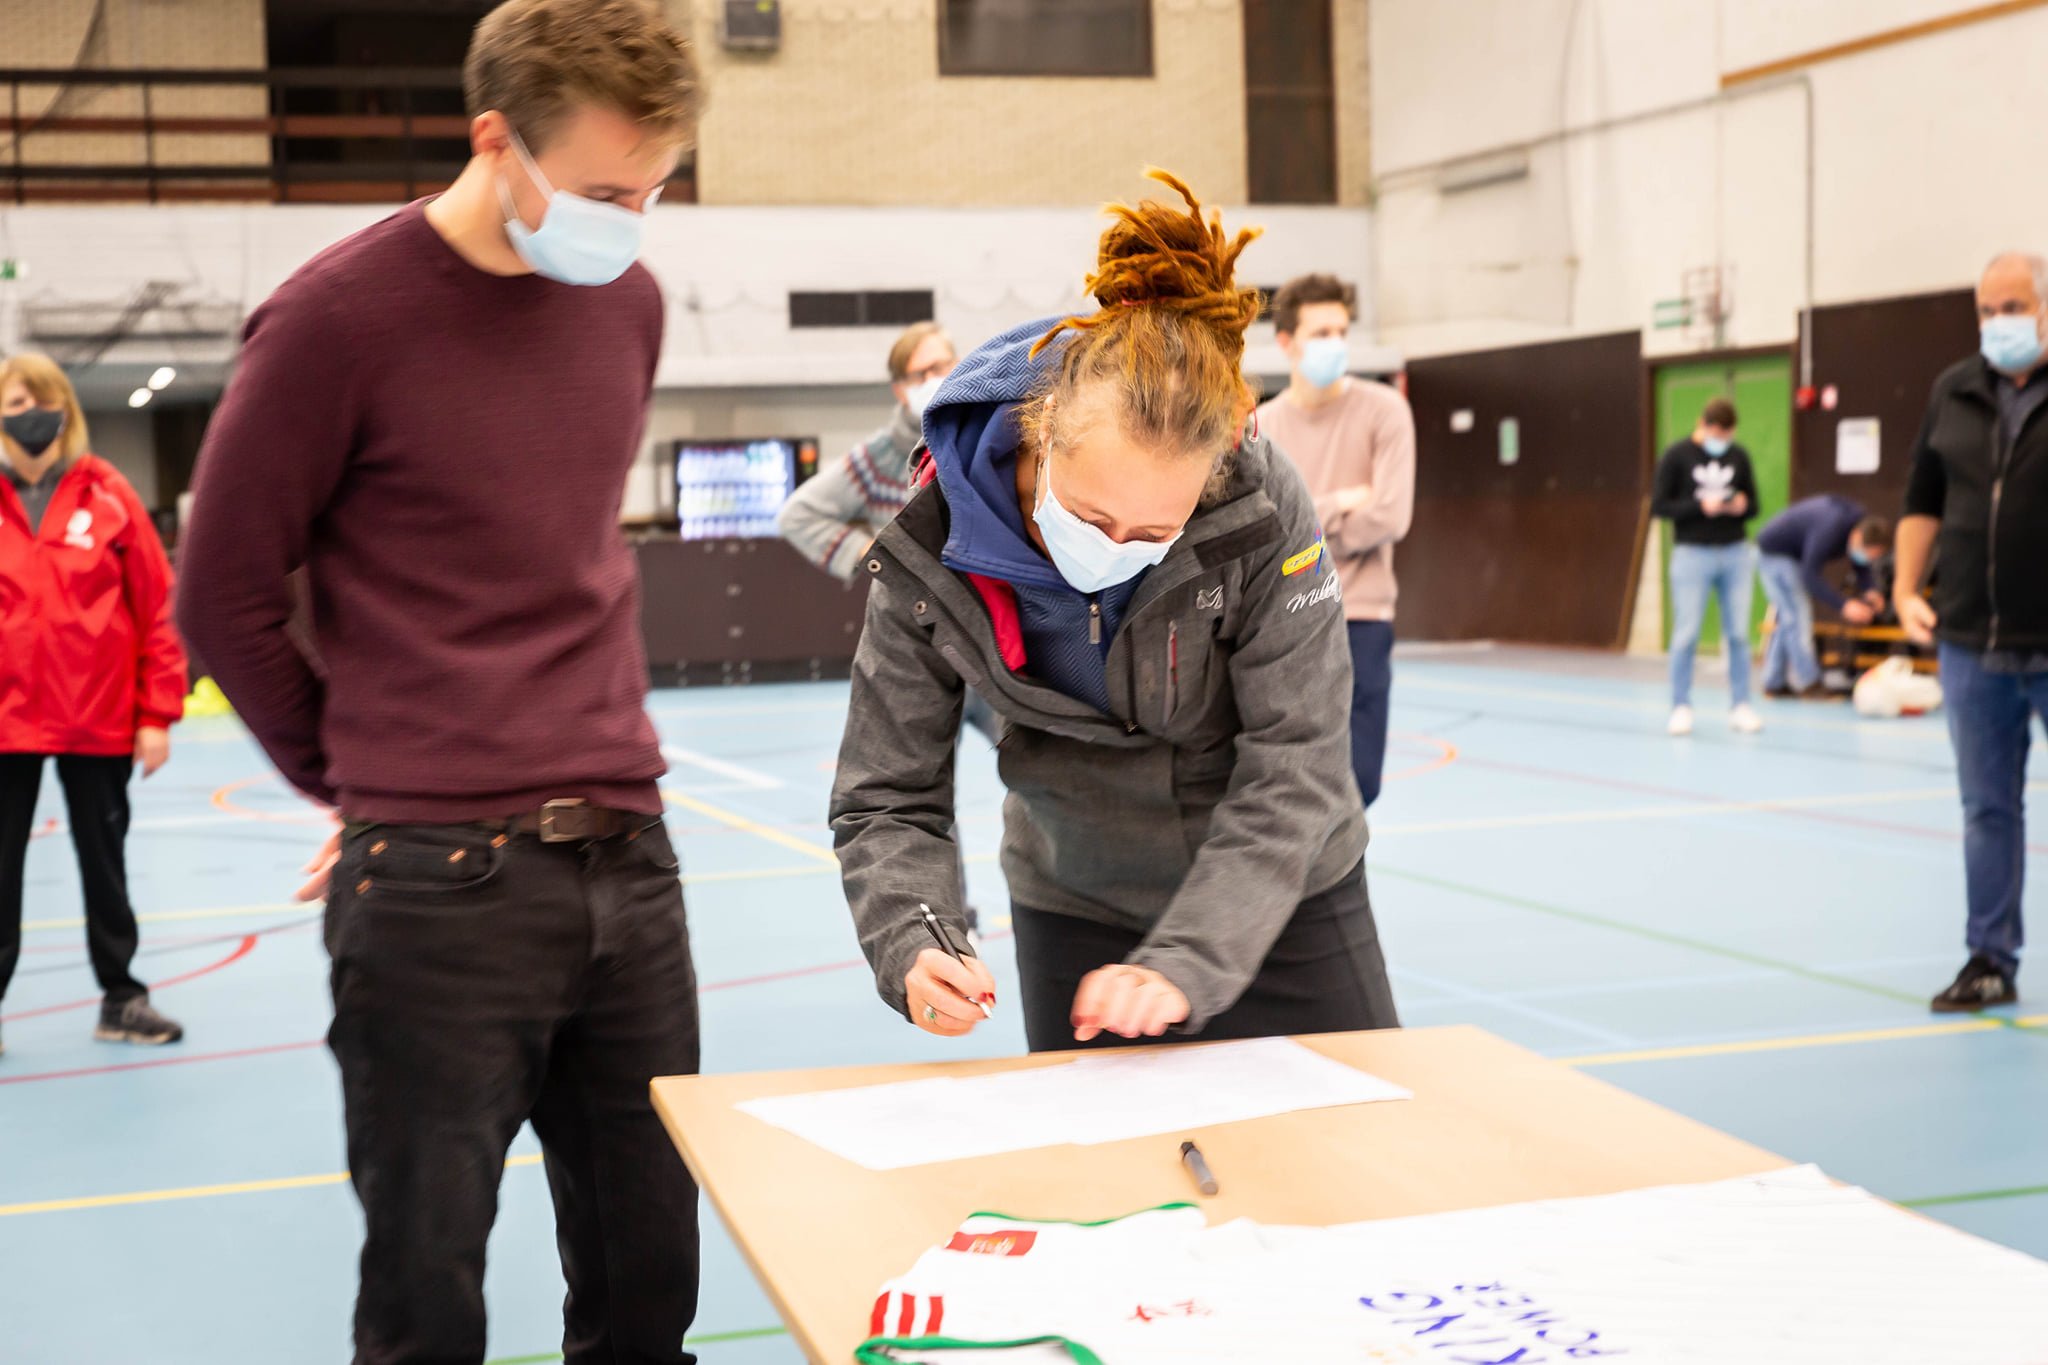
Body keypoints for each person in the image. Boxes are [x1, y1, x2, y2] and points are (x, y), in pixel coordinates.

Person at [175, 3, 704, 1361]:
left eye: (652, 191)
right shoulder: (333, 321)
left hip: (631, 864)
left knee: (651, 1284)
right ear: (494, 142)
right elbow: (221, 594)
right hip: (435, 888)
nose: (630, 222)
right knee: (426, 1299)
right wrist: (360, 783)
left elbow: (565, 554)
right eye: (602, 192)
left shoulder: (626, 302)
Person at [830, 171, 1399, 1053]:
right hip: (1077, 896)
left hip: (1283, 894)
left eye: (1153, 533)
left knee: (1349, 1159)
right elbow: (887, 788)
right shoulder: (929, 538)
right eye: (1093, 519)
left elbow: (1300, 758)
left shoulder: (1258, 499)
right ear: (1044, 428)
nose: (1114, 549)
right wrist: (914, 936)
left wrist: (1190, 956)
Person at [0, 353, 187, 1058]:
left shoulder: (108, 493)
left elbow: (158, 607)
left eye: (39, 399)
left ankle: (123, 997)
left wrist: (155, 713)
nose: (29, 413)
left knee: (104, 863)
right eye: (14, 401)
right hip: (5, 721)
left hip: (97, 713)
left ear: (64, 407)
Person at [1894, 250, 2048, 1014]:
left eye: (2013, 306)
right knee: (1987, 808)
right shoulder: (1952, 389)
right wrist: (1901, 587)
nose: (1999, 323)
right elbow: (1923, 497)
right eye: (1987, 310)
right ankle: (1990, 956)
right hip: (1970, 644)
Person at [1256, 274, 1414, 809]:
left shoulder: (1385, 411)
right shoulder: (1263, 426)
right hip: (1286, 618)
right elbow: (1263, 529)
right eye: (1321, 332)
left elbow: (1390, 517)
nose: (1336, 344)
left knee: (1358, 781)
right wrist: (1343, 500)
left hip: (1362, 618)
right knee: (1285, 779)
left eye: (1342, 331)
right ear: (1286, 343)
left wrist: (1306, 520)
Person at [778, 321, 956, 577]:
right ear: (901, 391)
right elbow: (797, 515)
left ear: (958, 365)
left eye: (939, 367)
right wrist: (871, 554)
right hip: (910, 609)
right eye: (918, 375)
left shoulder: (981, 439)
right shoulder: (878, 459)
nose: (931, 380)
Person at [1653, 397, 1763, 736]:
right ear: (1705, 425)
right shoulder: (1676, 456)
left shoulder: (1738, 455)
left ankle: (1741, 704)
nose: (1723, 441)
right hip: (1692, 553)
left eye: (1728, 435)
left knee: (1739, 633)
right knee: (1686, 633)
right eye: (1718, 433)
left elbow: (1754, 504)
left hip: (1734, 551)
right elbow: (1660, 506)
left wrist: (1738, 507)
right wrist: (1702, 506)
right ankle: (1681, 705)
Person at [1755, 496, 1891, 699]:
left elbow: (1860, 564)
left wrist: (1871, 590)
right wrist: (1844, 605)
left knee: (1788, 619)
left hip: (1792, 556)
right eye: (1866, 553)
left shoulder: (1857, 525)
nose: (1866, 558)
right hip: (1775, 554)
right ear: (1856, 536)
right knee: (1797, 616)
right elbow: (1810, 576)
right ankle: (1810, 683)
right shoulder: (1830, 527)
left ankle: (1773, 683)